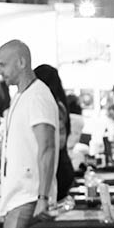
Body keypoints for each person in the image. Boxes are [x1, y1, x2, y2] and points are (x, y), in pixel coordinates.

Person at [0, 40, 58, 228]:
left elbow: (47, 147)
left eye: (3, 64)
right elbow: (21, 144)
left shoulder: (38, 96)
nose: (0, 71)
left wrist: (43, 197)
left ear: (21, 63)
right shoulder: (21, 96)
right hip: (18, 197)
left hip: (29, 198)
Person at [34, 63, 77, 201]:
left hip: (58, 170)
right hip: (61, 167)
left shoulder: (54, 107)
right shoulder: (57, 105)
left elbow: (60, 141)